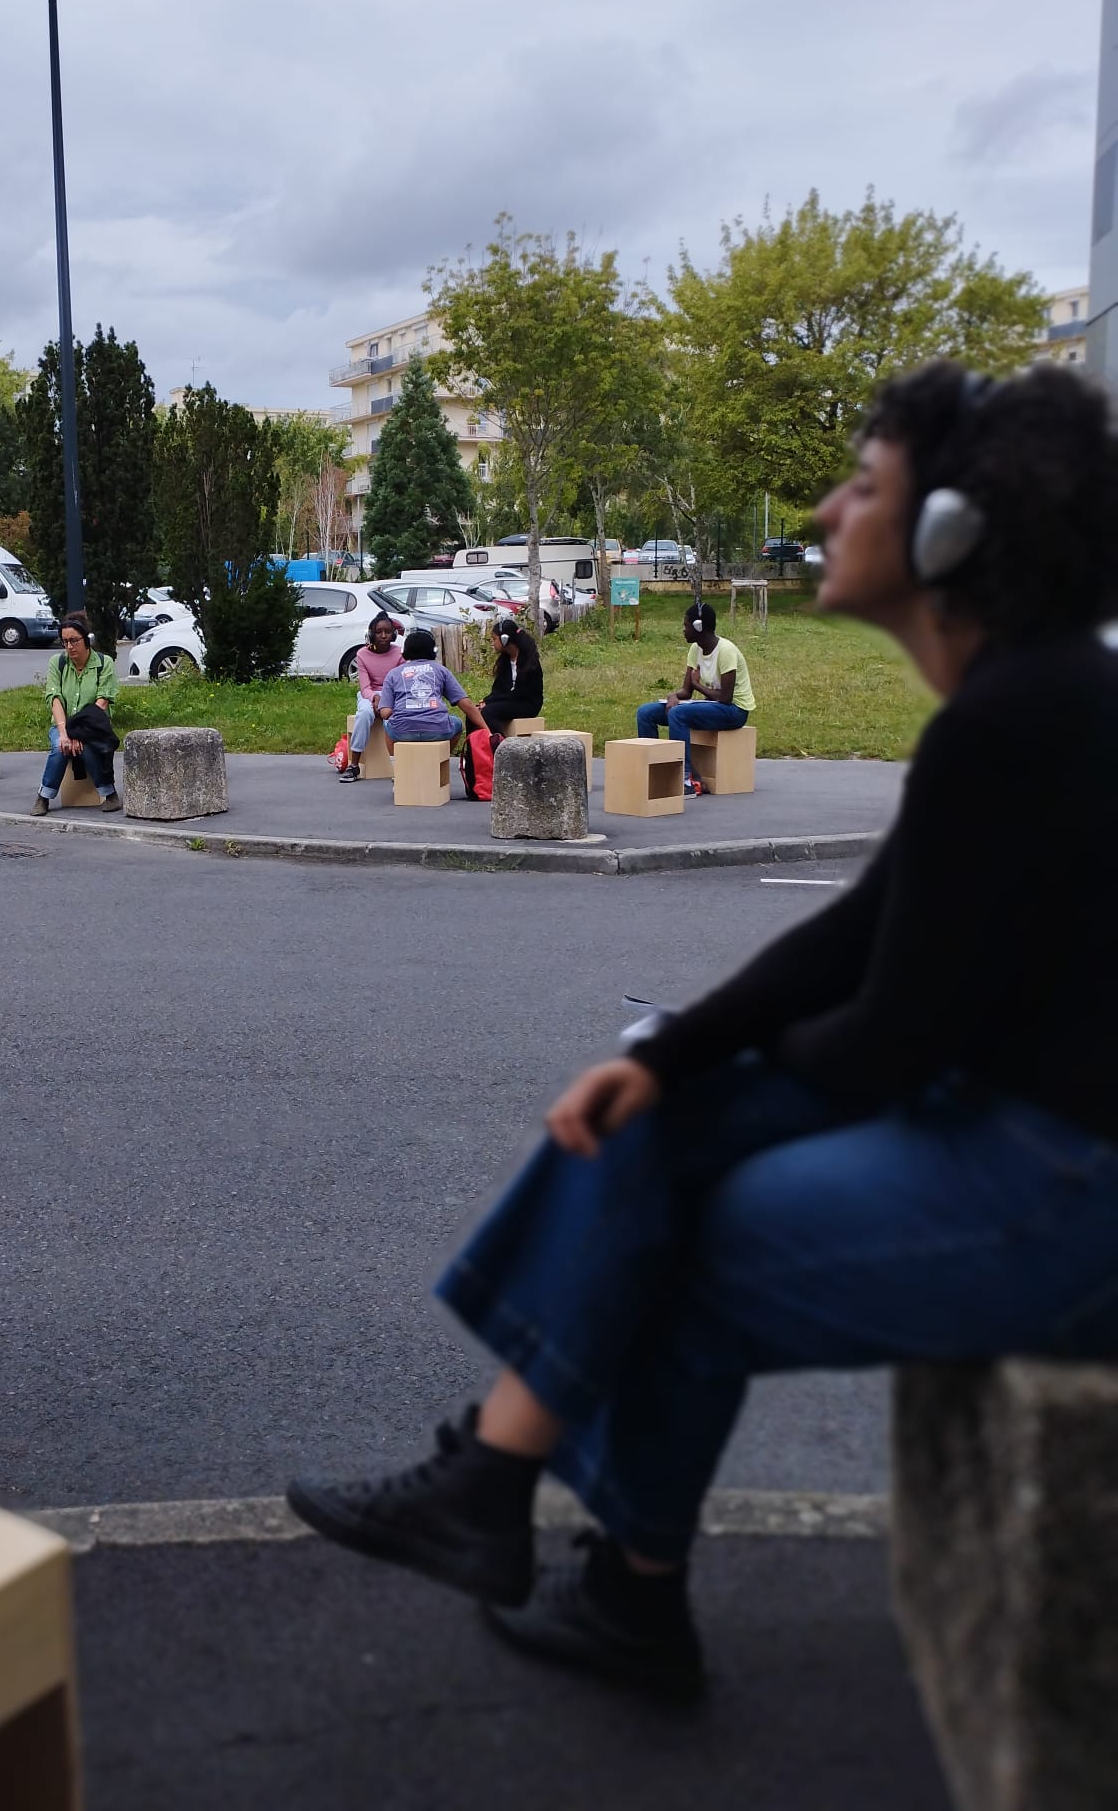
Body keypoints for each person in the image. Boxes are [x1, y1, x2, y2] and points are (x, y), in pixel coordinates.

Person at [286, 360, 1118, 1697]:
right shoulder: (1037, 700)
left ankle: (572, 1545)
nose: (830, 510)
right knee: (665, 1103)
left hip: (1069, 1193)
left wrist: (689, 1089)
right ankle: (530, 1511)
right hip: (1033, 1142)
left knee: (685, 1231)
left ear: (951, 533)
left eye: (863, 488)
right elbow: (856, 941)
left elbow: (890, 1037)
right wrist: (678, 1056)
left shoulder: (1028, 719)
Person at [635, 602, 755, 794]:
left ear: (699, 627)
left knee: (678, 714)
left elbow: (725, 697)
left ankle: (686, 779)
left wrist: (697, 685)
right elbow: (686, 691)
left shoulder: (726, 651)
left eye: (686, 625)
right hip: (712, 705)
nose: (683, 630)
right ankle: (655, 773)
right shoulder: (695, 649)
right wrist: (673, 696)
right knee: (646, 712)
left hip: (734, 711)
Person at [32, 613, 121, 815]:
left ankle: (109, 793)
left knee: (87, 747)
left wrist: (80, 732)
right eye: (65, 642)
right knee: (60, 746)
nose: (69, 646)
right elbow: (54, 698)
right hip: (62, 725)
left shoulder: (104, 663)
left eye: (74, 640)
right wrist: (66, 733)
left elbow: (102, 701)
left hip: (93, 726)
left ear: (86, 639)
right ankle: (43, 796)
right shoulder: (58, 662)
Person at [377, 629, 490, 754]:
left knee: (387, 724)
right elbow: (465, 704)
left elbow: (385, 713)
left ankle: (396, 760)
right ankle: (442, 757)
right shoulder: (441, 670)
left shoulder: (393, 674)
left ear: (404, 651)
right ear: (434, 650)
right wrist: (487, 730)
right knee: (457, 723)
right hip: (438, 730)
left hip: (402, 732)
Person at [340, 613, 404, 782]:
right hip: (369, 694)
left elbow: (400, 683)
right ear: (371, 634)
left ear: (393, 634)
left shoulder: (399, 653)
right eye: (378, 632)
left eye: (387, 632)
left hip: (393, 694)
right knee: (364, 715)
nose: (383, 635)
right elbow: (365, 687)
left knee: (394, 718)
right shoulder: (362, 654)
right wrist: (375, 698)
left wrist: (386, 700)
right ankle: (354, 766)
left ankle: (399, 768)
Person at [480, 619, 544, 743]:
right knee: (475, 713)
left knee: (489, 712)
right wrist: (486, 700)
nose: (492, 643)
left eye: (494, 639)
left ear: (504, 639)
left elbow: (520, 693)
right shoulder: (505, 660)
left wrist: (490, 701)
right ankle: (473, 752)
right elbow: (498, 689)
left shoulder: (529, 661)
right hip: (510, 701)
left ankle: (501, 746)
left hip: (527, 704)